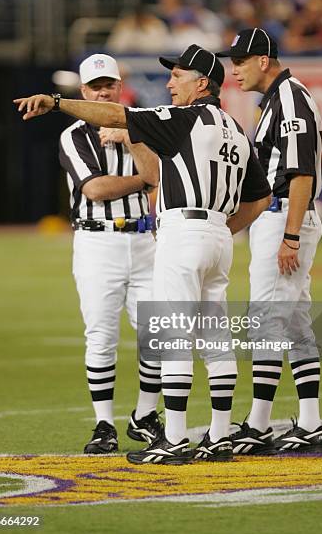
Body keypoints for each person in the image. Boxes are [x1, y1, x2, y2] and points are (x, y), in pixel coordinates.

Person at [14, 44, 271, 465]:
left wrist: (58, 102)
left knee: (171, 336)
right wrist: (222, 229)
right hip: (218, 236)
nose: (169, 83)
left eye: (178, 76)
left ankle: (172, 436)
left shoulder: (185, 118)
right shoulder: (236, 128)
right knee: (215, 338)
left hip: (182, 233)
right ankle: (219, 435)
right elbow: (259, 198)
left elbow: (121, 118)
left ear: (202, 82)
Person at [217, 28, 322, 454]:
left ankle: (259, 423)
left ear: (263, 60)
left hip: (284, 215)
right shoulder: (276, 100)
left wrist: (291, 236)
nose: (234, 71)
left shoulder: (289, 98)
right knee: (297, 320)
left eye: (240, 62)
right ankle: (311, 423)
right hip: (278, 214)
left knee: (266, 319)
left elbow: (301, 173)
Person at [57, 53, 163, 454]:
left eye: (109, 84)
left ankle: (145, 415)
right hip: (97, 240)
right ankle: (103, 424)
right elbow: (95, 190)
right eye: (95, 86)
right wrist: (140, 180)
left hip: (144, 240)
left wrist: (131, 137)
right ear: (83, 92)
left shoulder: (142, 123)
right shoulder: (74, 135)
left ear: (120, 86)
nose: (104, 91)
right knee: (100, 335)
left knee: (157, 333)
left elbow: (157, 173)